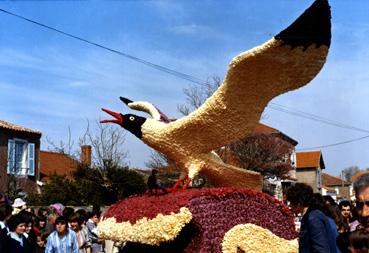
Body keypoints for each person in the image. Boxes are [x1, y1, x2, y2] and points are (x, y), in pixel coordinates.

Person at [286, 183, 337, 253]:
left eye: (291, 203)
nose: (290, 206)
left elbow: (321, 248)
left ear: (298, 204)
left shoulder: (313, 218)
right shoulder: (311, 216)